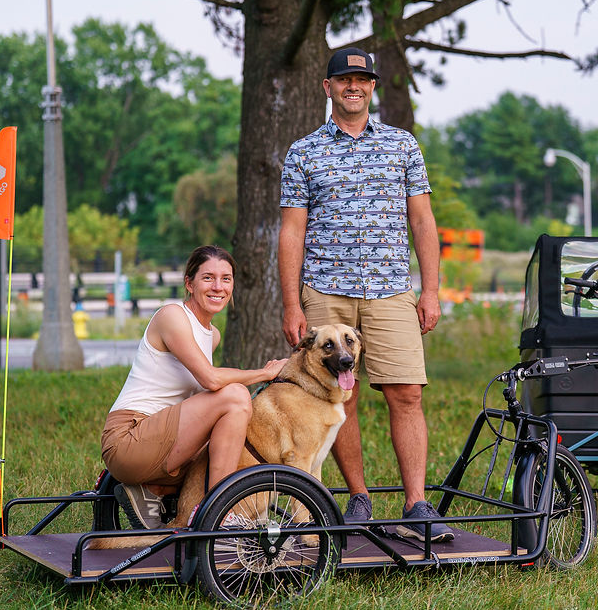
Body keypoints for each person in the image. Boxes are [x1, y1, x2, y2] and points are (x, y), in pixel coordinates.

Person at [278, 47, 453, 542]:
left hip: (391, 292)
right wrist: (292, 303)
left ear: (373, 86)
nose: (353, 86)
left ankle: (417, 506)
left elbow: (422, 219)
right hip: (325, 291)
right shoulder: (303, 151)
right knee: (340, 397)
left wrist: (431, 289)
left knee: (406, 393)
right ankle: (359, 499)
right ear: (327, 87)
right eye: (344, 79)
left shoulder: (402, 146)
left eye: (362, 79)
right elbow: (292, 231)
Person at [101, 245, 287, 529]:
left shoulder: (212, 335)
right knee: (236, 396)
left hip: (164, 443)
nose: (218, 287)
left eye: (226, 278)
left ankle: (154, 492)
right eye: (208, 278)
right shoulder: (172, 316)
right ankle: (219, 511)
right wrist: (265, 372)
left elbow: (205, 403)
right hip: (130, 437)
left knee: (229, 430)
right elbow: (210, 379)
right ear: (189, 283)